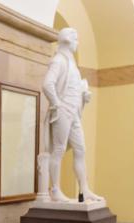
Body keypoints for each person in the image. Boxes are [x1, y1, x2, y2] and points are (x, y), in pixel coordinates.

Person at [39, 27, 102, 203]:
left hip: (74, 112)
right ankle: (55, 190)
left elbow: (73, 86)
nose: (77, 43)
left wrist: (84, 96)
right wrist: (57, 104)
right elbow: (47, 84)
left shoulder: (70, 62)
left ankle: (85, 189)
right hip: (63, 110)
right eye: (76, 40)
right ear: (67, 40)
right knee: (57, 150)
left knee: (81, 149)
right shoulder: (58, 60)